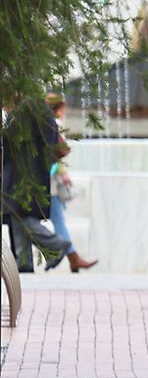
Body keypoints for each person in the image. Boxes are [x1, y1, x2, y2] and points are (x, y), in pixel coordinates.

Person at [2, 97, 71, 274]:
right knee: (17, 215)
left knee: (20, 215)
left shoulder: (29, 108)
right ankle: (23, 264)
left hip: (24, 173)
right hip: (26, 172)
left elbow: (13, 141)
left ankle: (55, 245)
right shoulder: (34, 107)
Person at [45, 94, 97, 272]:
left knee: (55, 220)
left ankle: (72, 258)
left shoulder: (45, 124)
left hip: (49, 181)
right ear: (59, 109)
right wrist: (62, 172)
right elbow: (56, 152)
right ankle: (71, 256)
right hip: (51, 183)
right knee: (56, 221)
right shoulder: (54, 125)